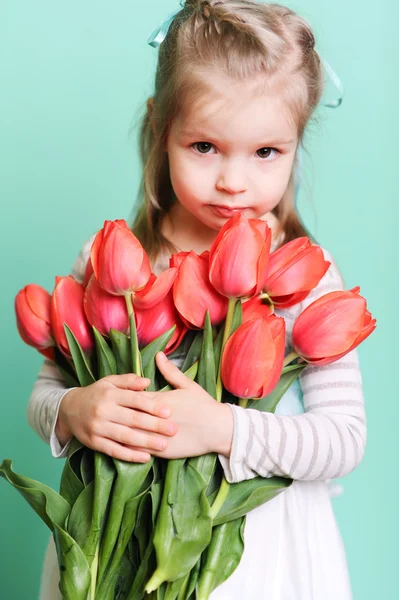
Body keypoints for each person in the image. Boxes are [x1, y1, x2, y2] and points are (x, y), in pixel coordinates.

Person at [29, 1, 367, 598]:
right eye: (205, 146)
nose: (234, 181)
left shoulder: (301, 277)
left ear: (295, 143)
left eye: (266, 152)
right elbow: (45, 394)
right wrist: (74, 410)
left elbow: (343, 440)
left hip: (262, 560)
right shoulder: (113, 261)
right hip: (119, 552)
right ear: (162, 128)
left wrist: (223, 430)